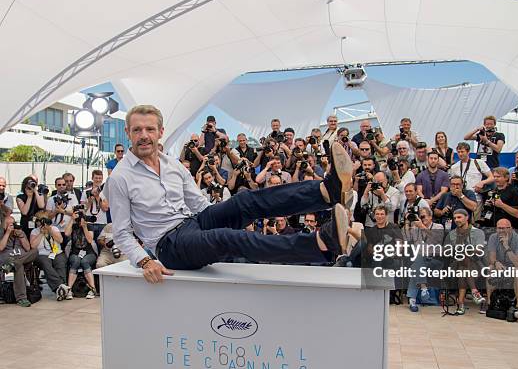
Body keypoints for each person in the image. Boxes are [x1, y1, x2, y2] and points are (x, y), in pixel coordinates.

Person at [106, 105, 355, 283]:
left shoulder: (171, 164)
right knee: (226, 238)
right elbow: (122, 232)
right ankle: (321, 243)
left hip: (193, 222)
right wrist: (144, 261)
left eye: (149, 129)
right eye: (137, 130)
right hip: (170, 246)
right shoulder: (120, 178)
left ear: (160, 132)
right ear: (128, 133)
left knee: (245, 201)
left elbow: (199, 203)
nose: (144, 136)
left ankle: (326, 190)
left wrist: (225, 212)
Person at [444, 209, 486, 315]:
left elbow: (479, 249)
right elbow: (446, 251)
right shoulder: (452, 234)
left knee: (464, 267)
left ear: (467, 217)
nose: (456, 220)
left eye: (459, 217)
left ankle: (461, 304)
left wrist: (465, 251)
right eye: (455, 218)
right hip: (455, 264)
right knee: (462, 262)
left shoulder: (478, 232)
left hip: (476, 264)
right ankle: (474, 292)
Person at [405, 207, 444, 312]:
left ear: (430, 217)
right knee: (417, 263)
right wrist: (407, 223)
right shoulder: (415, 228)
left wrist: (422, 227)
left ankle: (413, 297)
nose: (422, 219)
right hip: (420, 260)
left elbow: (437, 240)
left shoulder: (438, 226)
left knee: (415, 265)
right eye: (420, 217)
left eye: (423, 216)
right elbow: (407, 239)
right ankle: (421, 290)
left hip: (434, 259)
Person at [484, 219, 518, 313]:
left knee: (517, 272)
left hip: (517, 266)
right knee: (490, 268)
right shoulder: (493, 237)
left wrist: (507, 246)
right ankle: (490, 302)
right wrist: (496, 263)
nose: (501, 231)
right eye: (499, 228)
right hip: (501, 264)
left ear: (510, 228)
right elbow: (492, 257)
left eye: (503, 228)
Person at [29, 211, 70, 301]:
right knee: (46, 264)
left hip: (56, 253)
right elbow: (32, 246)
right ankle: (61, 287)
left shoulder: (54, 228)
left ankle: (61, 290)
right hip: (41, 254)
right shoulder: (35, 231)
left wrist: (50, 230)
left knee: (60, 262)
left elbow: (60, 240)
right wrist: (41, 233)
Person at [64, 211, 98, 299]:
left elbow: (90, 240)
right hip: (75, 252)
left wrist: (84, 227)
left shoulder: (89, 226)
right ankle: (69, 290)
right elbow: (66, 233)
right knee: (76, 261)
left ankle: (93, 289)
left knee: (84, 261)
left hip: (89, 252)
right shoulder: (74, 226)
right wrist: (72, 219)